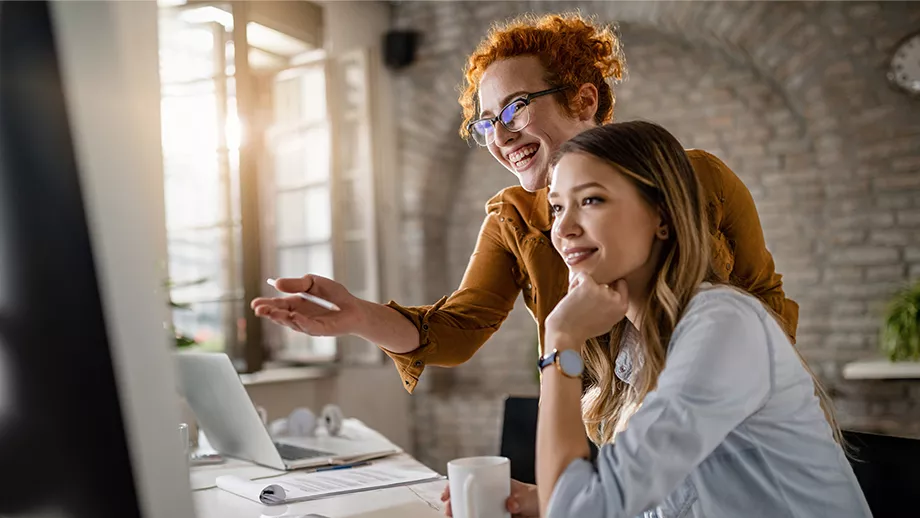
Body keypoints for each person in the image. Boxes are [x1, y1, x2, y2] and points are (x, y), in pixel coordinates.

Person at [251, 13, 799, 514]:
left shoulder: (695, 186)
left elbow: (764, 304)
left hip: (727, 441)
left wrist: (731, 392)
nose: (502, 135)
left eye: (515, 107)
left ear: (584, 100)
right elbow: (457, 329)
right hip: (617, 450)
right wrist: (355, 316)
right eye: (487, 122)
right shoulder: (515, 218)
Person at [533, 121, 869, 518]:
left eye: (590, 200)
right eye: (557, 206)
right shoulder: (634, 349)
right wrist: (542, 504)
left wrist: (561, 340)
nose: (563, 228)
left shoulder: (724, 324)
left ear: (662, 215)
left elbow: (576, 512)